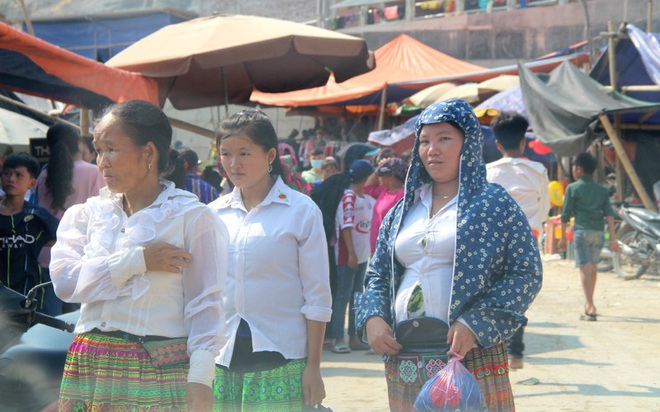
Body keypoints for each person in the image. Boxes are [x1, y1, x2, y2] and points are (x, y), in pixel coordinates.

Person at [355, 99, 542, 411]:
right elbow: (378, 274)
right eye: (425, 141)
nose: (432, 150)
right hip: (406, 356)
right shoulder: (403, 210)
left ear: (467, 143)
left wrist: (475, 323)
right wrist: (372, 317)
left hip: (471, 357)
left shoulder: (493, 204)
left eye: (444, 139)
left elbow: (526, 273)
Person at [50, 100, 228, 411]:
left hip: (155, 372)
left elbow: (206, 306)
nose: (101, 161)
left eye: (112, 149)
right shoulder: (87, 215)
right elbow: (66, 284)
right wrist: (137, 261)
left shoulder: (191, 218)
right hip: (89, 366)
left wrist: (200, 380)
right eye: (98, 149)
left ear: (148, 153)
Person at [209, 109, 332, 411]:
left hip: (282, 359)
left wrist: (313, 367)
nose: (233, 163)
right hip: (221, 360)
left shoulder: (301, 211)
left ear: (270, 156)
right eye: (225, 153)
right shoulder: (212, 214)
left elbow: (317, 296)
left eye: (244, 153)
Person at [486, 111, 550, 370]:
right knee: (518, 296)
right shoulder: (538, 170)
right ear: (524, 141)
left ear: (498, 144)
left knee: (493, 296)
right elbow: (544, 209)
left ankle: (499, 351)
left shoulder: (487, 172)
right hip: (527, 241)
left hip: (494, 243)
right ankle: (516, 353)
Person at [36, 123, 105, 314]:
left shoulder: (44, 175)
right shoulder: (93, 172)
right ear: (79, 144)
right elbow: (103, 217)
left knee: (50, 324)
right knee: (77, 324)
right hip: (80, 261)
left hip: (46, 258)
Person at [559, 152, 619, 322]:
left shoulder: (573, 188)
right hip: (599, 233)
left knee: (584, 267)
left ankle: (590, 305)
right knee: (592, 267)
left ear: (578, 169)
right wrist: (613, 239)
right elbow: (609, 214)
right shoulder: (601, 190)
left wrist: (563, 238)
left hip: (581, 232)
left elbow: (565, 215)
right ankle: (589, 304)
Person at [327, 159, 375, 354]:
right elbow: (346, 226)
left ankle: (354, 337)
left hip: (362, 255)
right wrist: (352, 254)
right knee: (343, 297)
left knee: (356, 297)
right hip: (348, 256)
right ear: (365, 176)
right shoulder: (348, 197)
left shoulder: (365, 197)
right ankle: (339, 338)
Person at [0, 152, 58, 310]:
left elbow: (64, 238)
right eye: (7, 174)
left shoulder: (37, 216)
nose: (11, 179)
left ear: (32, 184)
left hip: (29, 298)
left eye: (19, 175)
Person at [366, 156, 407, 253]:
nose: (379, 177)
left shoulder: (402, 195)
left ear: (391, 175)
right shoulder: (384, 191)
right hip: (376, 249)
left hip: (388, 251)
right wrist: (378, 169)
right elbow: (367, 187)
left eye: (382, 174)